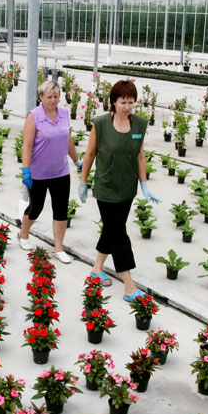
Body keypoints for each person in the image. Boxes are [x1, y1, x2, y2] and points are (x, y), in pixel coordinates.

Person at [78, 79, 161, 301]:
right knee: (119, 233)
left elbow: (140, 155)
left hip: (127, 187)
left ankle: (97, 268)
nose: (127, 107)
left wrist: (144, 184)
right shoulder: (101, 124)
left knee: (113, 229)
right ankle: (129, 285)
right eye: (123, 102)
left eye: (131, 102)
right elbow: (90, 154)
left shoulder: (139, 125)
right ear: (113, 102)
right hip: (106, 187)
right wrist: (83, 180)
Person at [18, 79, 81, 264]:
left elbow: (67, 139)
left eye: (56, 96)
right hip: (39, 172)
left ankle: (58, 248)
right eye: (49, 96)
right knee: (36, 207)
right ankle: (23, 234)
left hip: (60, 171)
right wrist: (26, 170)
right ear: (41, 97)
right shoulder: (34, 116)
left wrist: (77, 160)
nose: (53, 100)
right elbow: (27, 145)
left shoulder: (63, 114)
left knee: (61, 209)